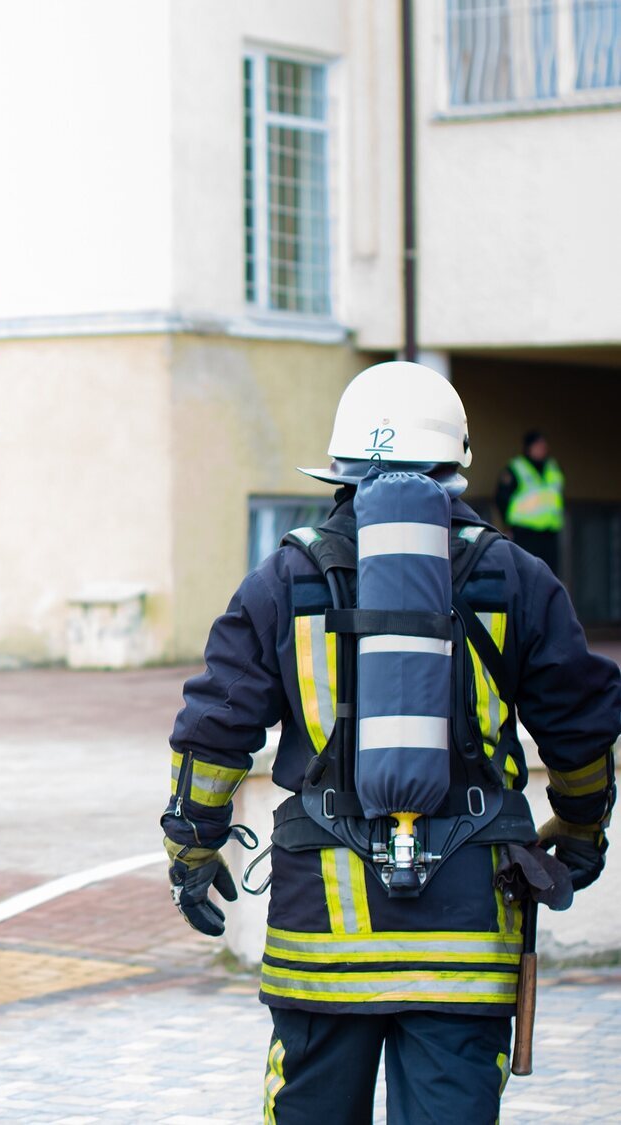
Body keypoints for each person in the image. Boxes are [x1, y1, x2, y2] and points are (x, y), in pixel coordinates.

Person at [161, 362, 620, 1124]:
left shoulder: (286, 578)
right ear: (454, 465)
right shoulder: (515, 576)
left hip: (321, 938)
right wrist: (578, 832)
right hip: (467, 936)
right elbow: (583, 726)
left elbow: (214, 731)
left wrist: (192, 849)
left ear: (340, 469)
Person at [494, 430, 564, 576]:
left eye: (543, 446)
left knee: (550, 576)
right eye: (538, 445)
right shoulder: (516, 468)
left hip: (549, 533)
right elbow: (501, 498)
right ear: (528, 447)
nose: (542, 449)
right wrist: (508, 525)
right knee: (526, 574)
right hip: (525, 533)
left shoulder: (552, 467)